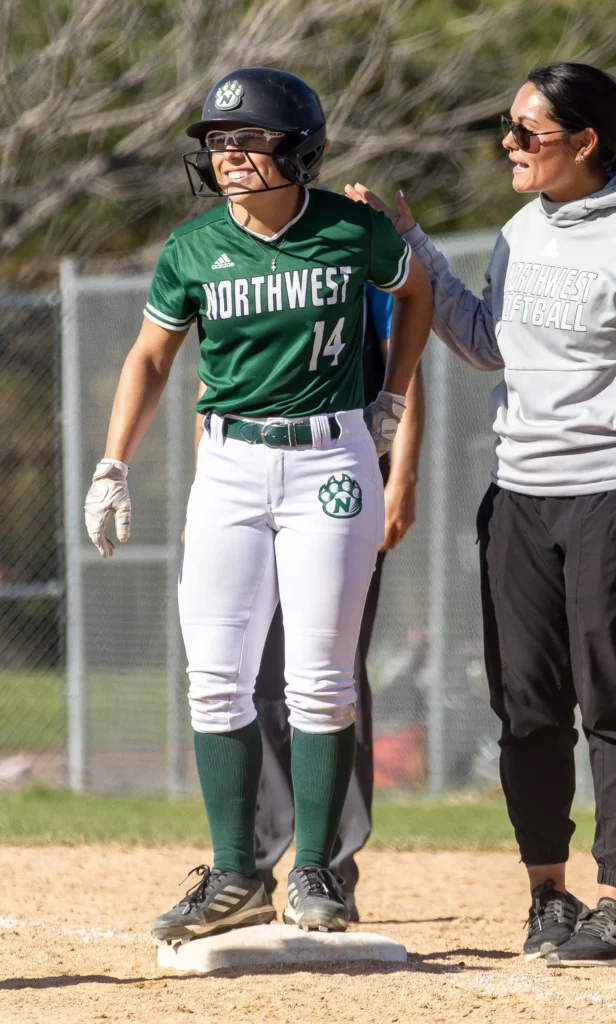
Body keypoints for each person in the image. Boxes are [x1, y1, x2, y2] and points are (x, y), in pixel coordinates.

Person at [346, 61, 616, 967]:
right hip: (520, 497)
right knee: (525, 707)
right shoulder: (520, 230)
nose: (509, 145)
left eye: (527, 132)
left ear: (584, 143)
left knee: (613, 697)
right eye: (509, 126)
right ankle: (547, 898)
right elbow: (489, 344)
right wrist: (412, 246)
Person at [83, 66, 432, 941]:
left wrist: (391, 395)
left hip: (332, 463)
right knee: (215, 679)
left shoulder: (352, 229)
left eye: (248, 139)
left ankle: (316, 868)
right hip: (231, 462)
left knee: (318, 677)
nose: (228, 154)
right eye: (217, 141)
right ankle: (236, 872)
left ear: (299, 148)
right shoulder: (192, 247)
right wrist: (112, 464)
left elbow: (415, 291)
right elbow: (151, 357)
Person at [193, 284, 425, 918]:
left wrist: (400, 477)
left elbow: (402, 370)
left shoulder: (347, 258)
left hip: (335, 484)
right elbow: (216, 385)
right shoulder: (235, 268)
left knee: (329, 670)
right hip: (240, 485)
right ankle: (258, 864)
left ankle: (331, 866)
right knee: (252, 676)